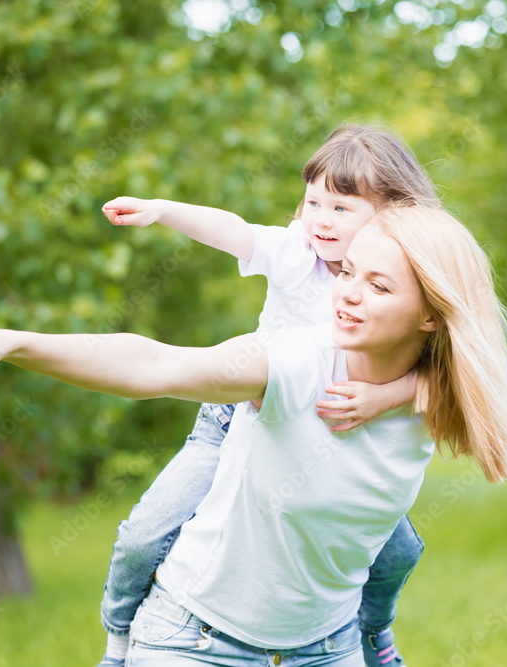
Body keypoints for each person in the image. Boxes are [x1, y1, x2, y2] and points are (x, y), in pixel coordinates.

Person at [0, 204, 507, 666]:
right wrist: (11, 342)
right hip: (196, 641)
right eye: (347, 273)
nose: (346, 294)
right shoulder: (295, 361)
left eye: (377, 285)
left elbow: (479, 379)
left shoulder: (438, 390)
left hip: (329, 646)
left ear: (430, 315)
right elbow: (154, 364)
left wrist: (392, 394)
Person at [97, 124, 440, 667]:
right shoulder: (294, 251)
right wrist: (162, 209)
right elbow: (232, 230)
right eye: (313, 203)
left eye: (342, 209)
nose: (321, 220)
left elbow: (450, 375)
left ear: (392, 215)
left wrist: (386, 397)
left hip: (332, 438)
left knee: (398, 551)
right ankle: (119, 636)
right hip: (237, 423)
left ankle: (375, 635)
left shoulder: (401, 288)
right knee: (145, 532)